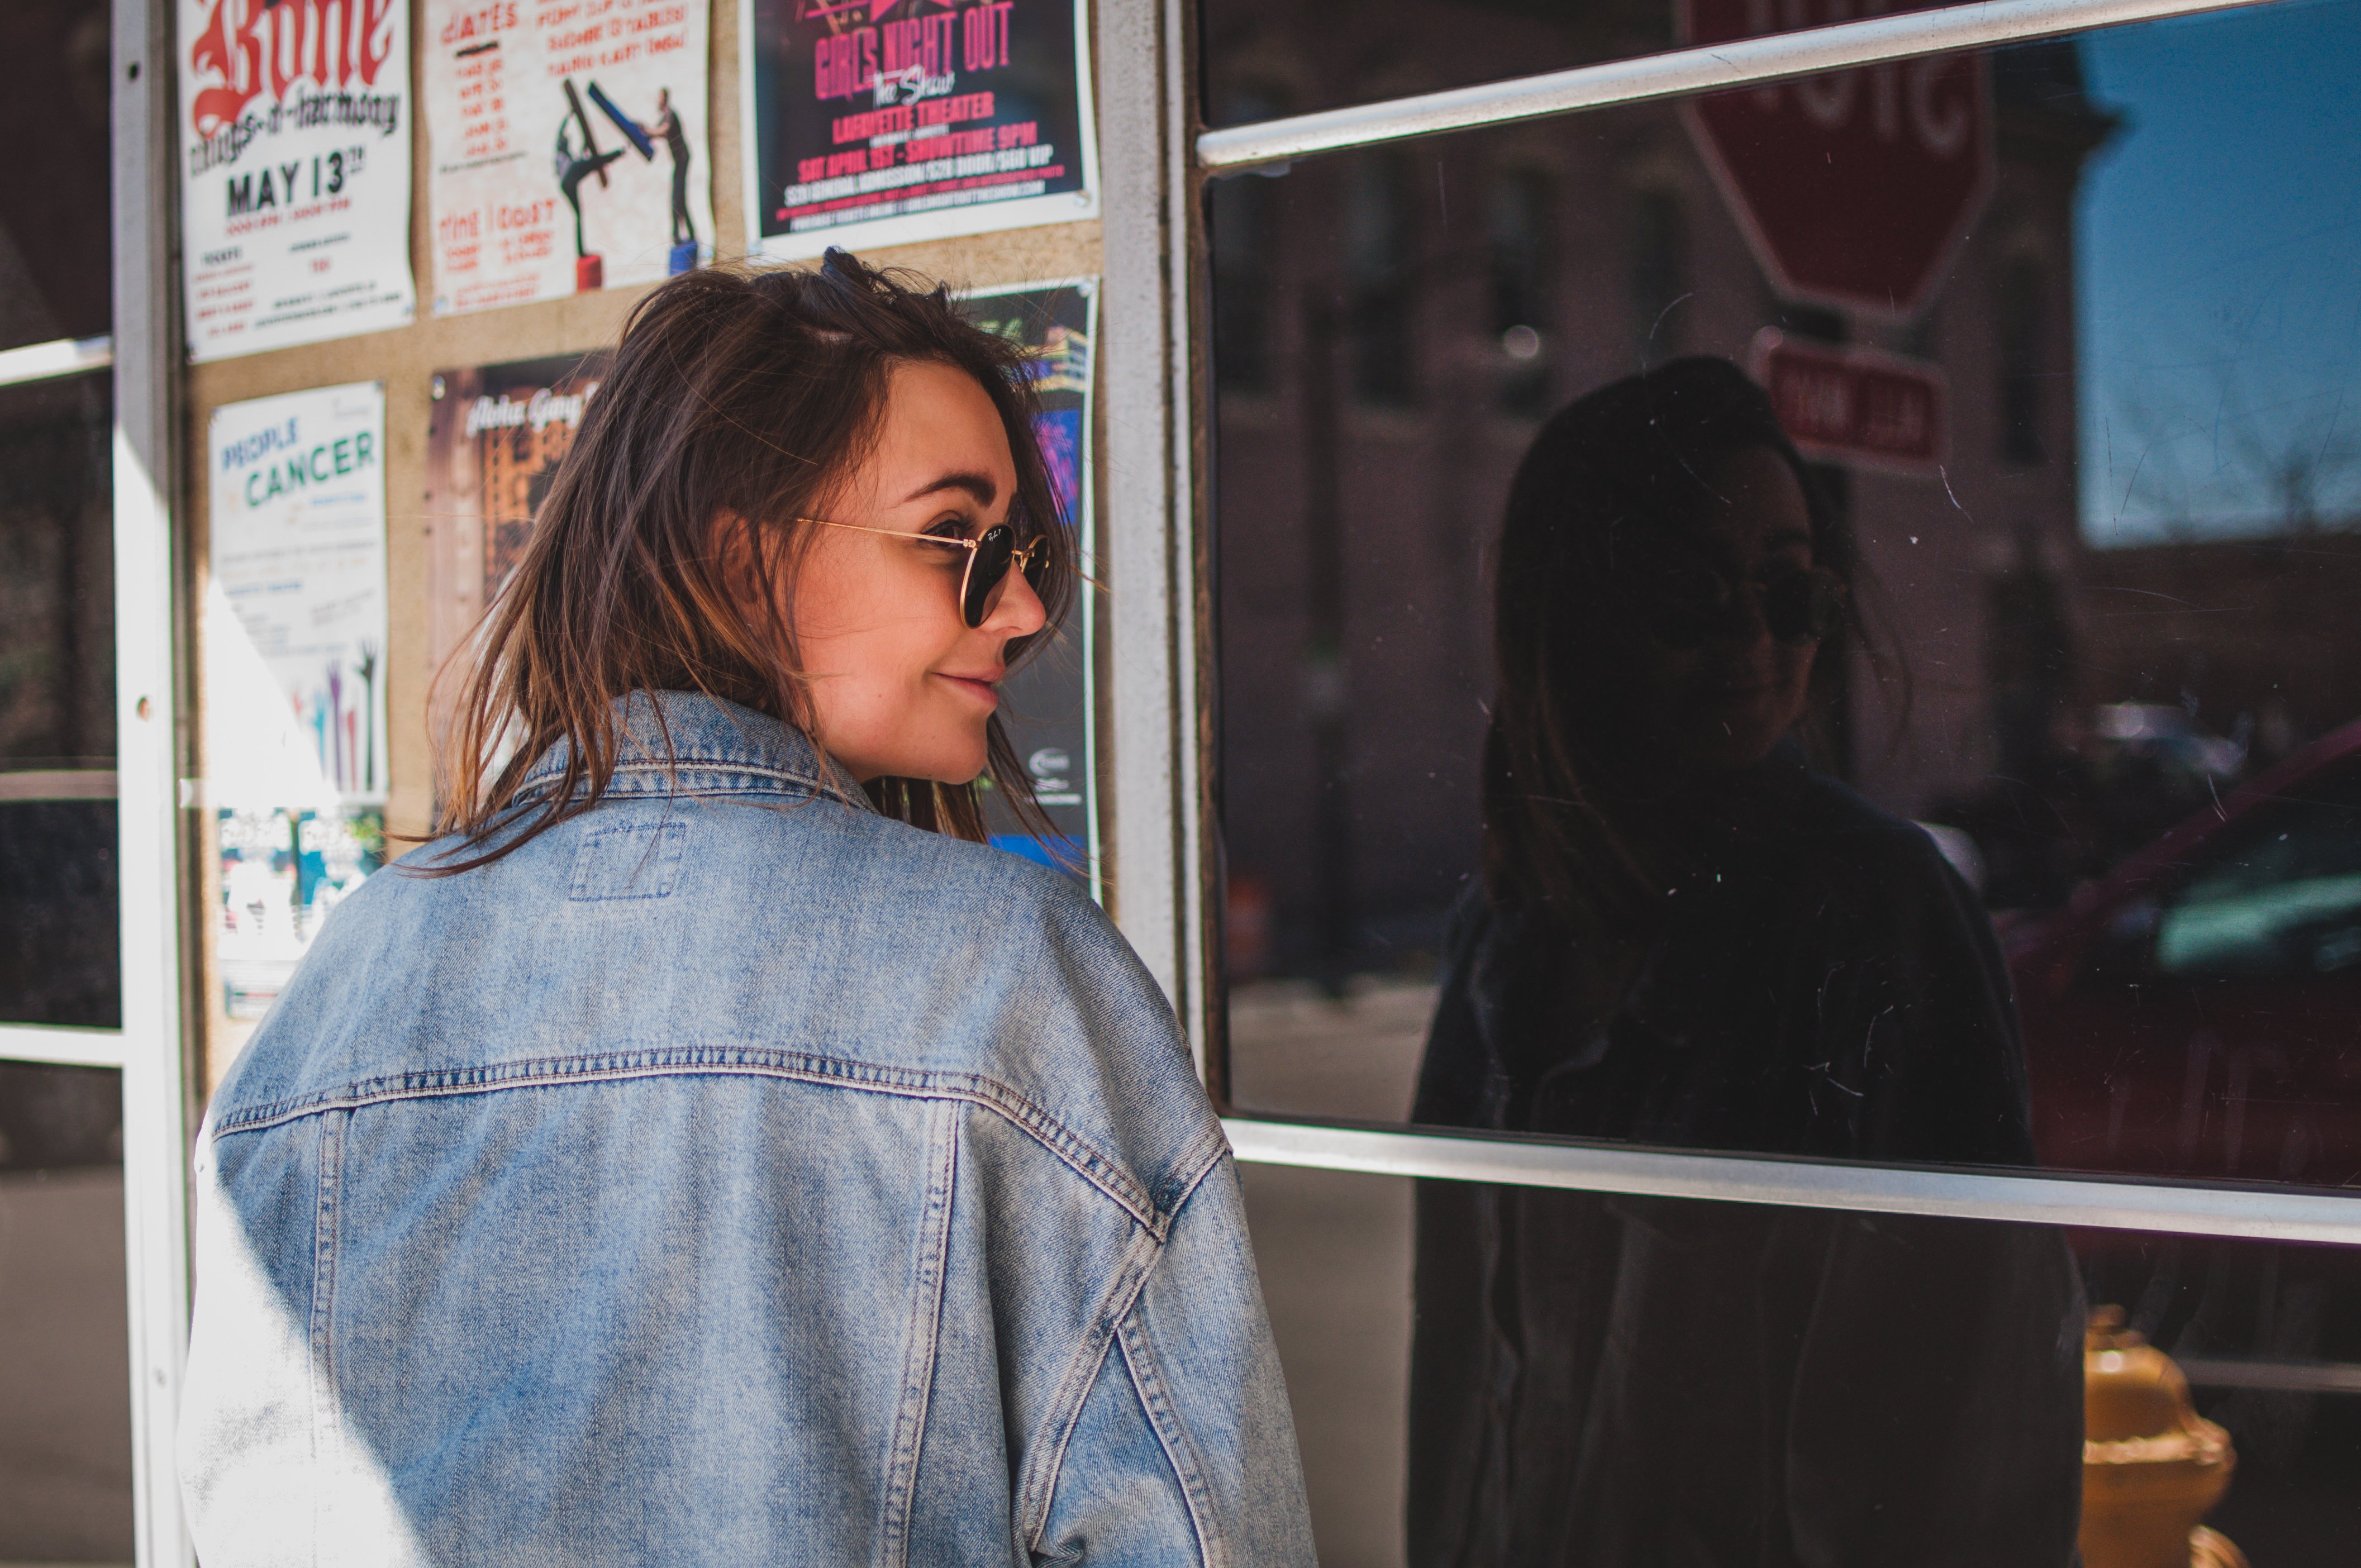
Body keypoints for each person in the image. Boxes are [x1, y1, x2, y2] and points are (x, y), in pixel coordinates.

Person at [178, 251, 1315, 1566]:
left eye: (1019, 552)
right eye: (954, 538)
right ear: (739, 564)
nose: (1016, 606)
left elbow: (237, 1508)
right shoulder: (1006, 978)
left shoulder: (343, 978)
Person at [1407, 358, 2085, 1566]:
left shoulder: (1877, 917)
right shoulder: (1507, 932)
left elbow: (1956, 1452)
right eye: (1690, 596)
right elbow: (1463, 1395)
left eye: (1788, 593)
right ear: (1574, 612)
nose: (1756, 641)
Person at [652, 87, 693, 247]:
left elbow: (662, 131)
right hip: (679, 161)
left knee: (677, 199)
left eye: (660, 97)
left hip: (682, 159)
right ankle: (687, 233)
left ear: (665, 99)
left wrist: (648, 132)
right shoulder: (665, 116)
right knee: (679, 200)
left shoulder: (671, 114)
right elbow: (655, 130)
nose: (658, 100)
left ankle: (678, 235)